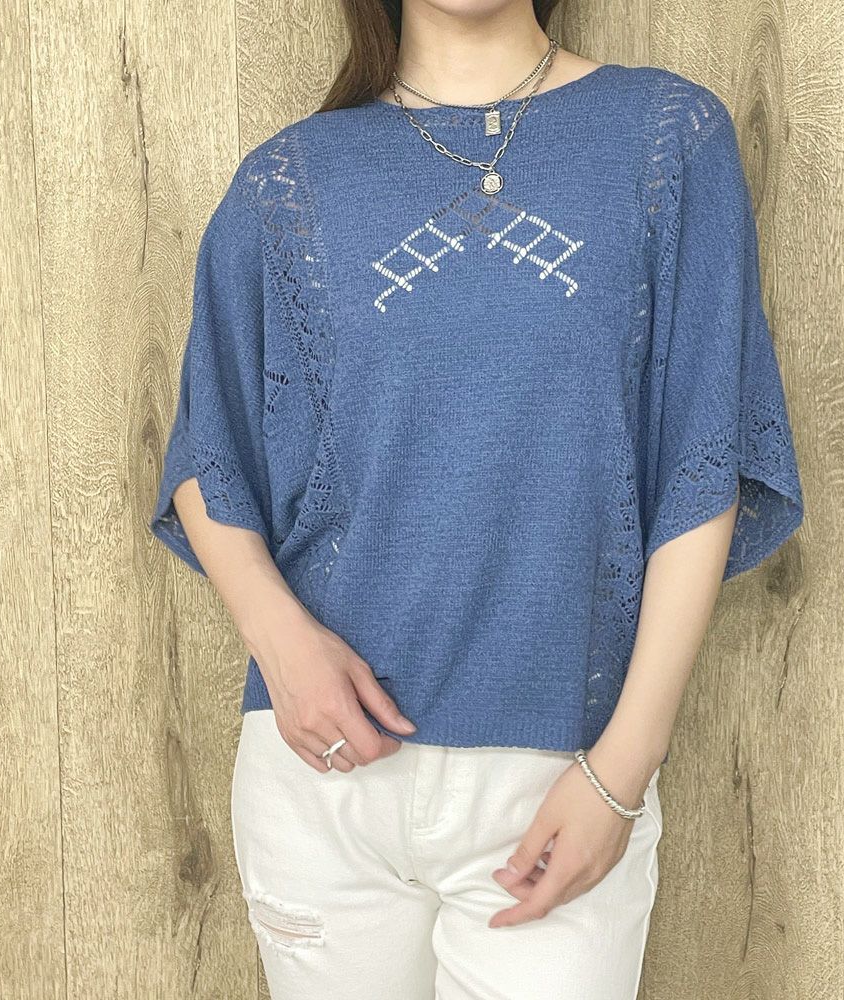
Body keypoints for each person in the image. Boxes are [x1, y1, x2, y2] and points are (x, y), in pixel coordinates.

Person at [147, 2, 805, 997]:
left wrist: (621, 772)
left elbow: (701, 463)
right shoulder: (288, 181)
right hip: (322, 782)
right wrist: (283, 646)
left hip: (564, 778)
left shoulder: (668, 140)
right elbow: (210, 453)